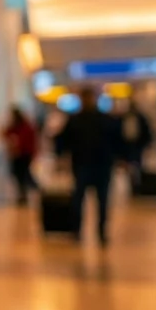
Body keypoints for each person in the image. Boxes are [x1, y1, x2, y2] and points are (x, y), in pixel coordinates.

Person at [54, 87, 122, 245]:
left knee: (102, 201)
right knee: (79, 200)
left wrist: (120, 158)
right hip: (85, 165)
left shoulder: (102, 120)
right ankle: (77, 230)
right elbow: (63, 140)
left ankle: (101, 231)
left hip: (100, 166)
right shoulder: (79, 120)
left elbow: (117, 141)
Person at [2, 107, 38, 205]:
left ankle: (29, 191)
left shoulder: (26, 127)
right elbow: (5, 133)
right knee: (19, 174)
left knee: (23, 174)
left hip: (24, 154)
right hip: (17, 155)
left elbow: (28, 141)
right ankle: (23, 193)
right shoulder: (15, 126)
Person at [119, 101, 154, 191]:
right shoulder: (124, 118)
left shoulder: (140, 118)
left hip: (138, 145)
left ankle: (137, 184)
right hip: (128, 145)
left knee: (137, 164)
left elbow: (146, 132)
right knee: (130, 165)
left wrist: (147, 144)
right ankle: (133, 183)